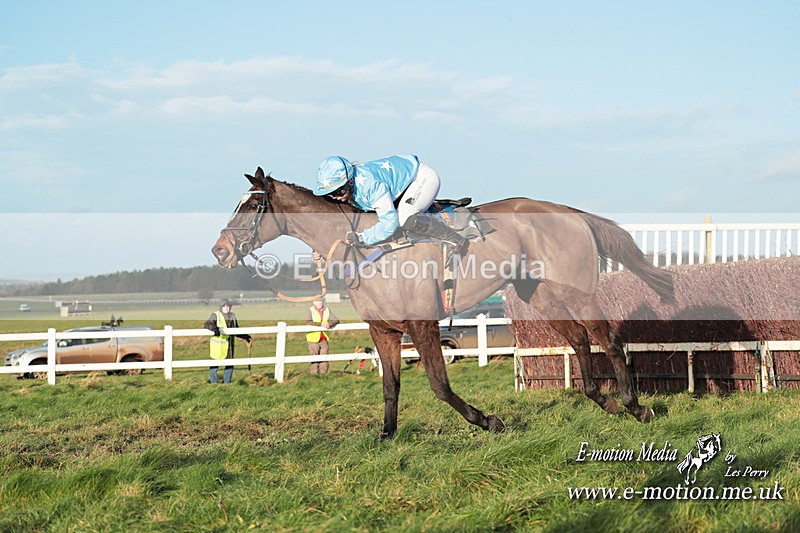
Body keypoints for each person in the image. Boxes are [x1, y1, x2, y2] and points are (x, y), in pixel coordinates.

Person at [312, 155, 468, 258]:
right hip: (402, 185)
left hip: (421, 178)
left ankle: (455, 240)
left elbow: (389, 224)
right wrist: (322, 249)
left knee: (404, 217)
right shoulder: (349, 189)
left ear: (351, 181)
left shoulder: (370, 186)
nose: (336, 197)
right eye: (330, 194)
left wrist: (362, 238)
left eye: (339, 191)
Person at [204, 299, 252, 384]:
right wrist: (215, 329)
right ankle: (214, 382)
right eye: (224, 306)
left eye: (228, 306)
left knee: (230, 364)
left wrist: (246, 337)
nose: (226, 308)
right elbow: (208, 324)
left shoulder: (233, 316)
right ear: (221, 307)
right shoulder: (215, 315)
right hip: (218, 346)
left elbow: (236, 330)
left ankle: (226, 383)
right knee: (214, 365)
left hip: (229, 346)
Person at [305, 297, 339, 375]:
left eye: (320, 301)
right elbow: (308, 322)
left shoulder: (327, 310)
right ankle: (314, 374)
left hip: (324, 337)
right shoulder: (310, 310)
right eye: (317, 301)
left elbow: (336, 320)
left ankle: (324, 374)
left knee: (324, 357)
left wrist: (329, 324)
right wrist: (320, 324)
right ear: (314, 302)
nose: (319, 302)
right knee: (314, 357)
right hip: (313, 337)